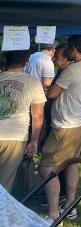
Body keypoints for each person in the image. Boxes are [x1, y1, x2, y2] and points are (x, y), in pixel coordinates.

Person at [40, 36, 81, 223]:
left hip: (66, 125)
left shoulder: (73, 69)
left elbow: (52, 94)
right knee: (72, 162)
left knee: (47, 167)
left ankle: (53, 214)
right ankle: (70, 206)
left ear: (73, 50)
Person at [0, 49, 46, 191]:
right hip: (15, 135)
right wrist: (34, 140)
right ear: (26, 61)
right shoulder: (33, 82)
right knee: (5, 182)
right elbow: (38, 114)